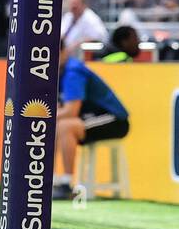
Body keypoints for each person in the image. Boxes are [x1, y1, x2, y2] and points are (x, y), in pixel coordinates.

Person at [53, 54, 130, 200]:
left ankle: (66, 184)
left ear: (62, 51)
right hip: (89, 118)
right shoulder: (56, 72)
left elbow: (71, 111)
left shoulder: (73, 72)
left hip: (114, 120)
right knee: (54, 126)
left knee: (65, 126)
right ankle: (48, 181)